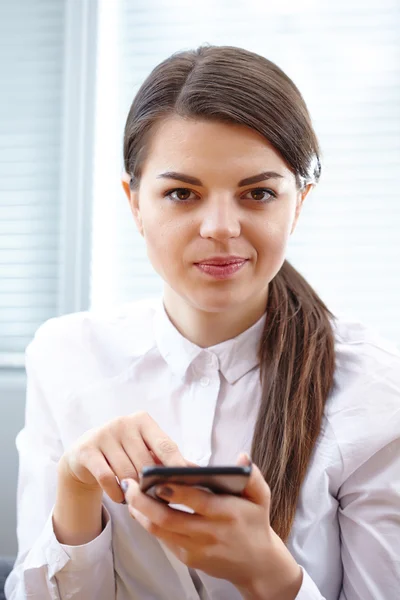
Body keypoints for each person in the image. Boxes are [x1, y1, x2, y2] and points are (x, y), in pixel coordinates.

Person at [5, 44, 400, 600]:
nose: (220, 227)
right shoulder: (66, 353)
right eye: (181, 193)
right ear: (135, 203)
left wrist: (268, 572)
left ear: (300, 202)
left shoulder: (377, 388)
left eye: (257, 193)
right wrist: (74, 486)